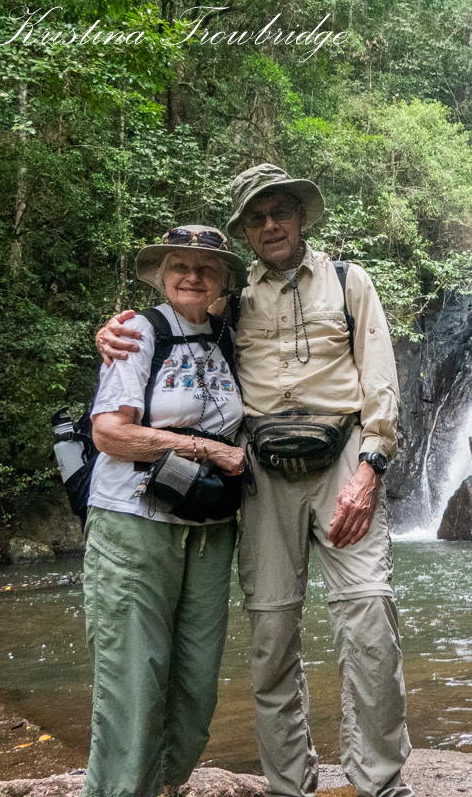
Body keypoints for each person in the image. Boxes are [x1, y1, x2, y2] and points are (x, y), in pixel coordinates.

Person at [96, 166, 413, 797]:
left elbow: (380, 380)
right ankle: (291, 785)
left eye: (280, 212)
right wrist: (112, 332)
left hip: (345, 461)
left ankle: (379, 781)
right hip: (260, 471)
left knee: (369, 620)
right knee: (270, 634)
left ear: (300, 217)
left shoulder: (349, 281)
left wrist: (371, 468)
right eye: (256, 217)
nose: (270, 225)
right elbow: (174, 318)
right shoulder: (229, 301)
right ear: (245, 230)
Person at [83, 225, 247, 797]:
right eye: (180, 265)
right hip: (133, 522)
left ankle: (161, 788)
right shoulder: (137, 332)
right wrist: (207, 449)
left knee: (195, 691)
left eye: (207, 268)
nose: (192, 276)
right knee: (133, 684)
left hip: (208, 530)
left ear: (223, 281)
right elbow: (109, 433)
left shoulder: (231, 336)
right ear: (161, 274)